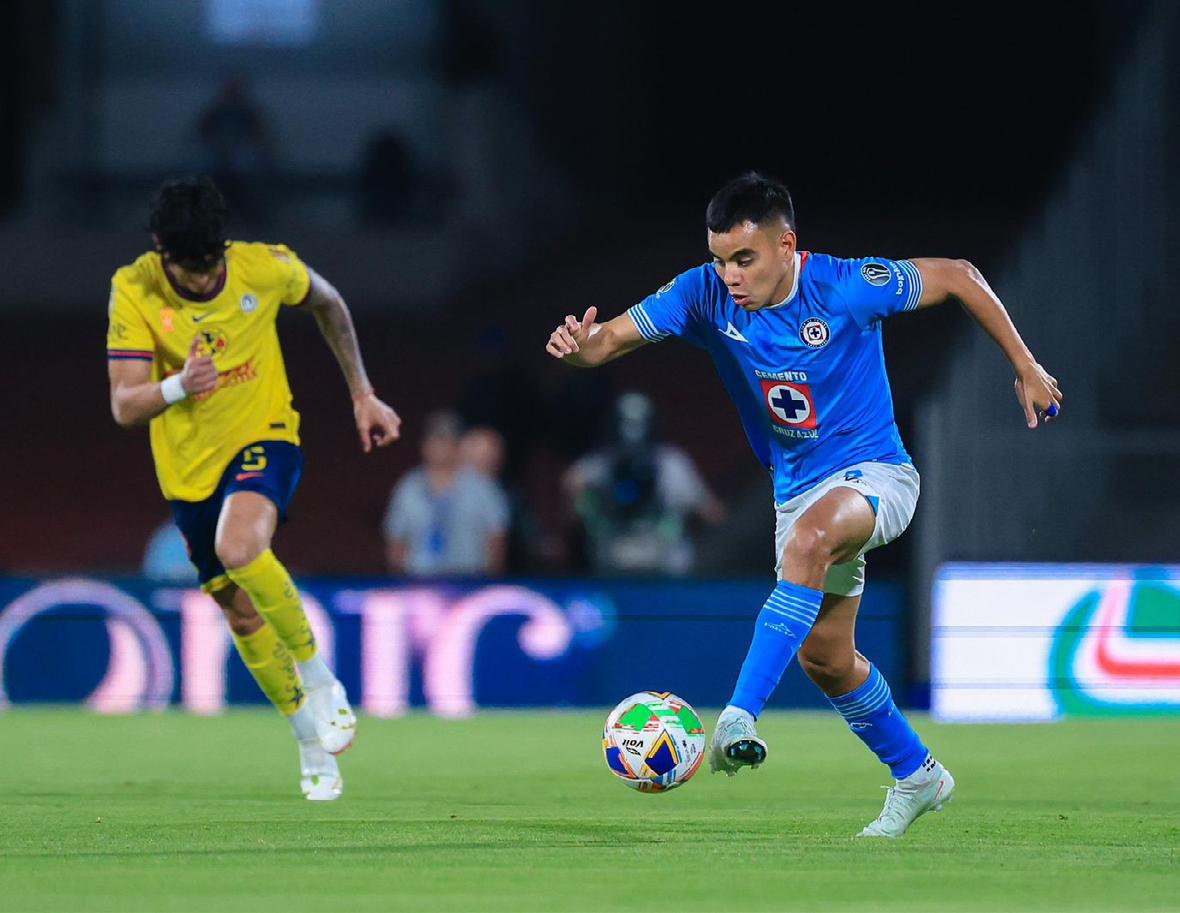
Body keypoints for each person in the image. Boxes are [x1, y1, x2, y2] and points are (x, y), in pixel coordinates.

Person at [544, 172, 1062, 837]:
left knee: (811, 540)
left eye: (744, 258)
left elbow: (960, 275)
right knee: (828, 659)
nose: (729, 275)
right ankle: (918, 774)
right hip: (796, 493)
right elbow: (610, 339)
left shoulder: (847, 286)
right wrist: (580, 349)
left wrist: (1025, 364)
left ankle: (738, 715)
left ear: (786, 245)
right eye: (719, 259)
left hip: (878, 474)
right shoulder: (701, 294)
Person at [107, 176, 401, 800]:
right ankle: (309, 742)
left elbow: (330, 303)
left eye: (209, 265)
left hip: (265, 435)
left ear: (223, 246)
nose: (200, 280)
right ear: (161, 250)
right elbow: (124, 406)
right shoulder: (134, 288)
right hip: (188, 470)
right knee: (239, 614)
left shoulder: (263, 268)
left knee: (240, 546)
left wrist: (362, 393)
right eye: (187, 269)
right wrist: (179, 386)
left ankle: (321, 681)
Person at [563, 392, 724, 575]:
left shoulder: (673, 466)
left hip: (666, 565)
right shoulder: (597, 467)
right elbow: (572, 505)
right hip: (614, 565)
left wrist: (683, 507)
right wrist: (587, 503)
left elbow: (712, 514)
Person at [383, 412, 509, 577]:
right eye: (434, 439)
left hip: (470, 579)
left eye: (445, 440)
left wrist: (490, 580)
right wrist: (399, 579)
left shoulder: (481, 487)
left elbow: (496, 539)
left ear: (457, 445)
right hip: (420, 580)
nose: (439, 447)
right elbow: (396, 539)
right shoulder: (409, 487)